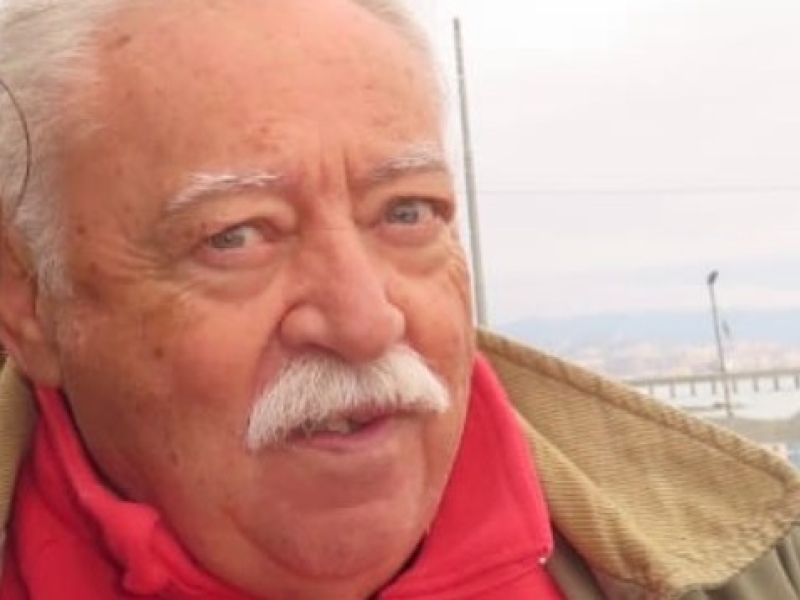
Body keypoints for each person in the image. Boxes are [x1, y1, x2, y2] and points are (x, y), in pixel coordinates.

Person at [1, 1, 799, 598]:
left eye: (407, 213)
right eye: (236, 235)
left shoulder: (756, 563)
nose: (364, 322)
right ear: (28, 298)